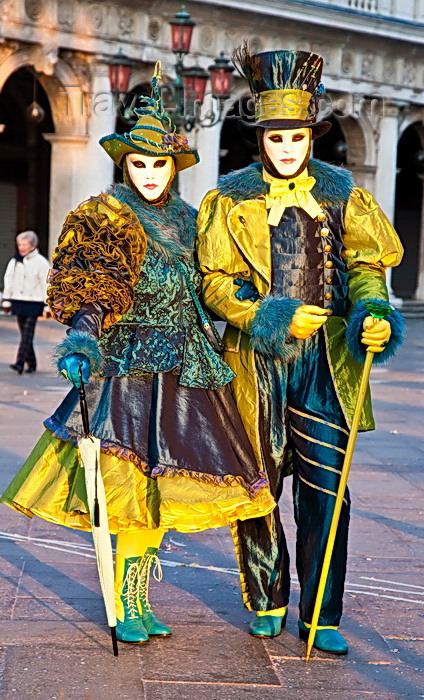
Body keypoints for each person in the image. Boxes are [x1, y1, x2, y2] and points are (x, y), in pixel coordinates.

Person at [1, 66, 275, 645]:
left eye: (160, 166)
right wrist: (81, 340)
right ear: (124, 163)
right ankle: (127, 601)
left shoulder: (190, 220)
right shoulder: (106, 216)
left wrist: (247, 300)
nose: (149, 175)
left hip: (188, 366)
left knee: (162, 492)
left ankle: (140, 597)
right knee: (129, 490)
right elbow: (89, 290)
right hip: (126, 368)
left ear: (173, 169)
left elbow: (212, 284)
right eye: (139, 164)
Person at [196, 46, 405, 655]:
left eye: (297, 137)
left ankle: (322, 613)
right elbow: (214, 284)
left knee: (327, 492)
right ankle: (267, 598)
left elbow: (368, 270)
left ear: (311, 136)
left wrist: (373, 314)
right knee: (258, 486)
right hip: (257, 361)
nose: (287, 149)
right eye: (276, 138)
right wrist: (268, 314)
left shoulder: (343, 195)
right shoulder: (229, 199)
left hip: (325, 367)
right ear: (261, 138)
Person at [2, 230, 50, 374]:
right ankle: (33, 363)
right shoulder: (14, 261)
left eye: (24, 244)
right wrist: (6, 300)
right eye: (19, 244)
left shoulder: (41, 262)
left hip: (34, 302)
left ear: (32, 245)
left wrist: (47, 305)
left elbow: (46, 284)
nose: (21, 247)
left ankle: (20, 363)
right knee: (25, 334)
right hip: (18, 301)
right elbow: (8, 280)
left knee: (27, 334)